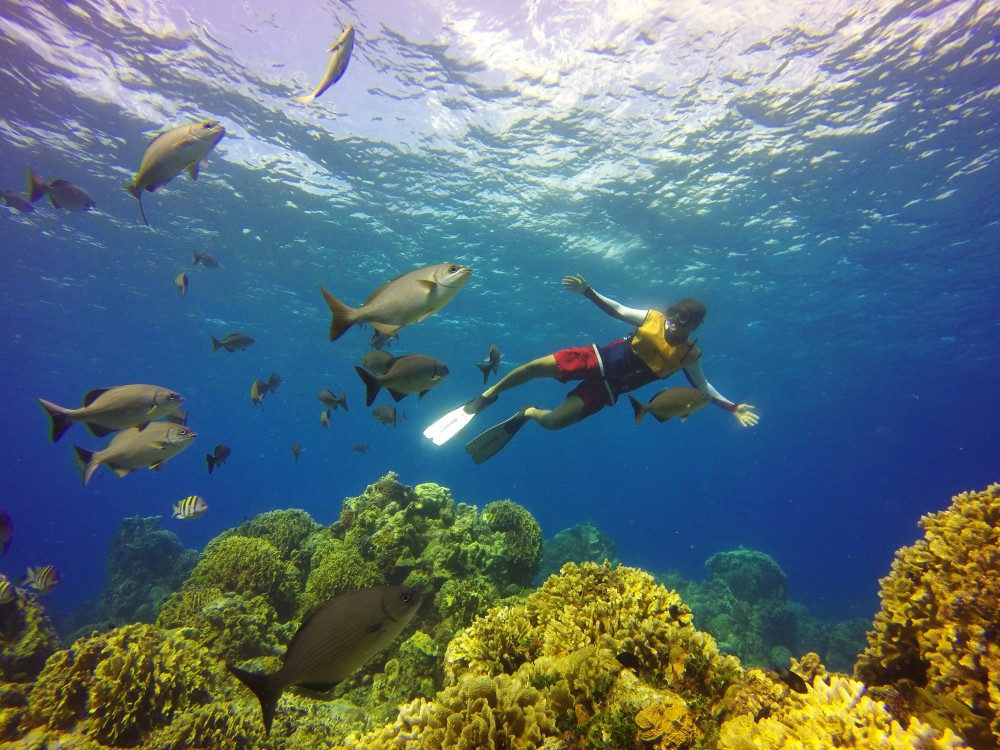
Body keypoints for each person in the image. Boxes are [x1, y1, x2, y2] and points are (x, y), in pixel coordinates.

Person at [422, 274, 759, 463]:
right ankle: (488, 394)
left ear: (693, 326)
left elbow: (705, 388)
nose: (673, 324)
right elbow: (616, 310)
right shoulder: (652, 318)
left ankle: (527, 413)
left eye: (682, 322)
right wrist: (588, 292)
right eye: (673, 315)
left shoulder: (690, 355)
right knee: (535, 368)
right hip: (595, 357)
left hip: (609, 390)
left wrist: (731, 407)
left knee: (554, 422)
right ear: (669, 313)